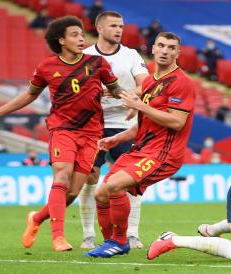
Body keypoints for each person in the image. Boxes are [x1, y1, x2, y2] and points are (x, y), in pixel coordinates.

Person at [0, 16, 123, 252]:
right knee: (61, 176)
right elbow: (29, 95)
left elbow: (116, 90)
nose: (81, 38)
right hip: (62, 129)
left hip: (91, 133)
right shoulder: (46, 67)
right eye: (75, 34)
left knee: (73, 191)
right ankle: (58, 237)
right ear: (61, 40)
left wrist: (135, 100)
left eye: (81, 33)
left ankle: (36, 218)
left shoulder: (98, 64)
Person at [83, 32, 195, 258]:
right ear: (153, 49)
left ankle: (120, 241)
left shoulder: (181, 83)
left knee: (114, 186)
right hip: (141, 149)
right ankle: (109, 243)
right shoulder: (152, 81)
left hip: (163, 154)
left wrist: (140, 106)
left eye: (171, 48)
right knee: (101, 194)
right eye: (161, 46)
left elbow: (176, 122)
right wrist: (118, 138)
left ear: (177, 53)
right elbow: (144, 124)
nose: (165, 51)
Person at [79, 11, 149, 250]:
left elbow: (145, 85)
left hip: (126, 123)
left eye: (121, 26)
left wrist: (124, 95)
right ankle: (89, 234)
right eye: (113, 26)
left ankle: (132, 234)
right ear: (99, 29)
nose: (119, 30)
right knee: (90, 176)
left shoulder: (130, 55)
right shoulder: (85, 55)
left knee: (131, 179)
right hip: (93, 124)